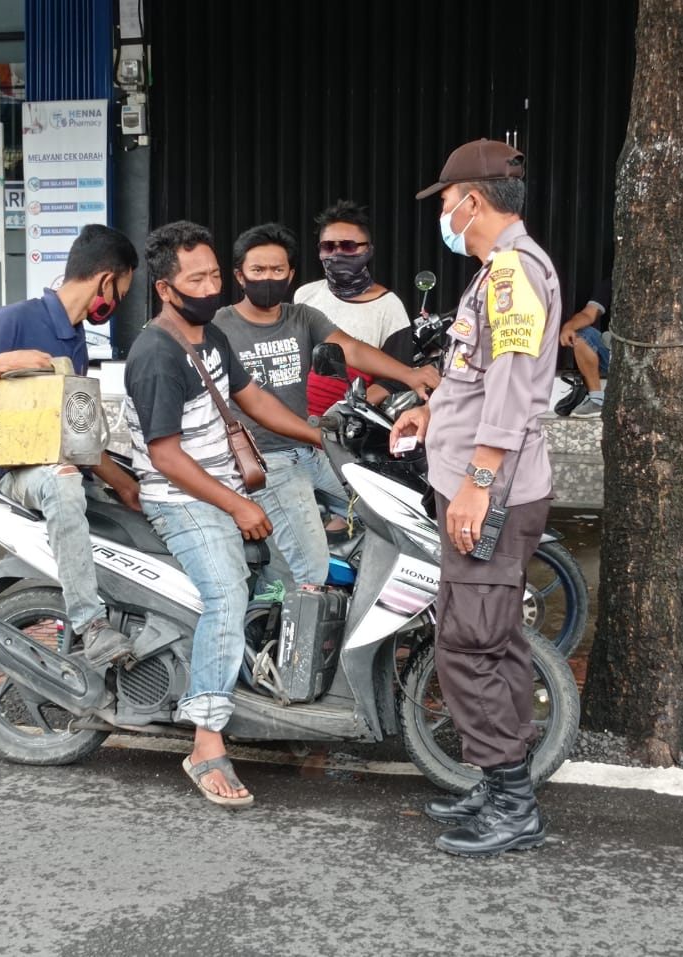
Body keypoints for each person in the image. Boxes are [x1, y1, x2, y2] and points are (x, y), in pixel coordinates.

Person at [390, 139, 562, 857]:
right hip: (478, 481)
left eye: (448, 202)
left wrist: (478, 483)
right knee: (495, 640)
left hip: (489, 492)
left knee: (470, 645)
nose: (446, 215)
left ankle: (513, 805)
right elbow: (476, 372)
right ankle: (496, 788)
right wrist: (432, 414)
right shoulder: (497, 273)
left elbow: (515, 387)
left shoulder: (514, 273)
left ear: (473, 200)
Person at [124, 221, 322, 808]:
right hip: (183, 499)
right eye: (197, 278)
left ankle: (257, 689)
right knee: (228, 596)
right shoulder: (157, 352)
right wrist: (236, 505)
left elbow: (252, 397)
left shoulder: (209, 336)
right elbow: (164, 456)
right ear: (165, 288)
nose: (211, 285)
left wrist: (317, 436)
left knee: (298, 568)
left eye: (214, 274)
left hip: (226, 485)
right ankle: (206, 742)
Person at [0, 224, 141, 670]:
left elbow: (72, 434)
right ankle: (91, 626)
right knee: (63, 481)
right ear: (106, 280)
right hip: (17, 470)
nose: (119, 301)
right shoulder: (15, 319)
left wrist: (127, 484)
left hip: (63, 463)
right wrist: (5, 361)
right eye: (122, 289)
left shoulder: (76, 336)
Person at [214, 222, 440, 585]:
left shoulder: (301, 316)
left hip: (313, 451)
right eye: (257, 270)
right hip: (266, 460)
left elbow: (349, 348)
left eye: (276, 270)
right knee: (311, 566)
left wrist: (410, 374)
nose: (267, 278)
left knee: (390, 509)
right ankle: (292, 630)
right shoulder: (220, 326)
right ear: (240, 276)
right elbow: (249, 403)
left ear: (290, 275)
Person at [295, 200, 415, 416]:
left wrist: (347, 412)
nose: (337, 253)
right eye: (328, 246)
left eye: (348, 246)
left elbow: (395, 379)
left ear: (368, 250)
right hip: (298, 424)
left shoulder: (389, 307)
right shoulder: (305, 295)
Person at [559, 278, 612, 418]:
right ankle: (596, 400)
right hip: (616, 356)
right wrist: (568, 327)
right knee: (582, 334)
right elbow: (589, 314)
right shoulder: (615, 280)